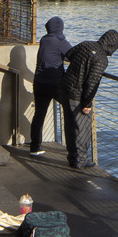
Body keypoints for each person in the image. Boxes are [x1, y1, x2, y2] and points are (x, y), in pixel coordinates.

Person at [58, 29, 118, 169]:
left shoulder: (85, 44)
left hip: (64, 89)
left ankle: (72, 157)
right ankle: (80, 161)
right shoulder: (101, 59)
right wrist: (87, 104)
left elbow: (68, 55)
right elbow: (91, 84)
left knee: (69, 125)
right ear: (113, 46)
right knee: (82, 128)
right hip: (77, 95)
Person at [29, 17, 72, 155]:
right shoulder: (59, 40)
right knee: (70, 110)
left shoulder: (44, 39)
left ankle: (35, 147)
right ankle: (73, 151)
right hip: (55, 84)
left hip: (39, 82)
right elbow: (73, 55)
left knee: (39, 115)